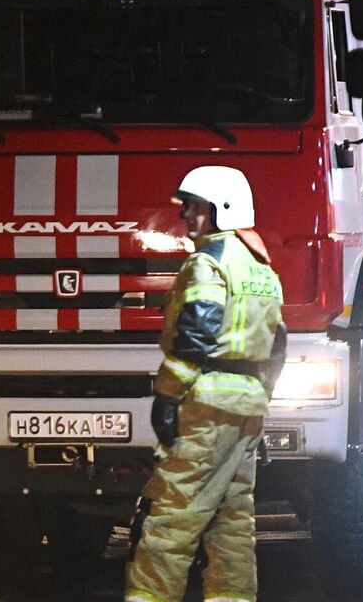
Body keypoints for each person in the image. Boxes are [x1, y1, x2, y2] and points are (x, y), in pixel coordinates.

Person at [125, 166, 286, 602]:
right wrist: (259, 399)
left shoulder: (207, 262)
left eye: (196, 207)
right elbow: (277, 345)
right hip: (245, 409)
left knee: (171, 518)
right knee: (232, 521)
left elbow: (197, 331)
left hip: (206, 406)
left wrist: (167, 395)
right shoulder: (260, 267)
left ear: (222, 209)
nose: (187, 216)